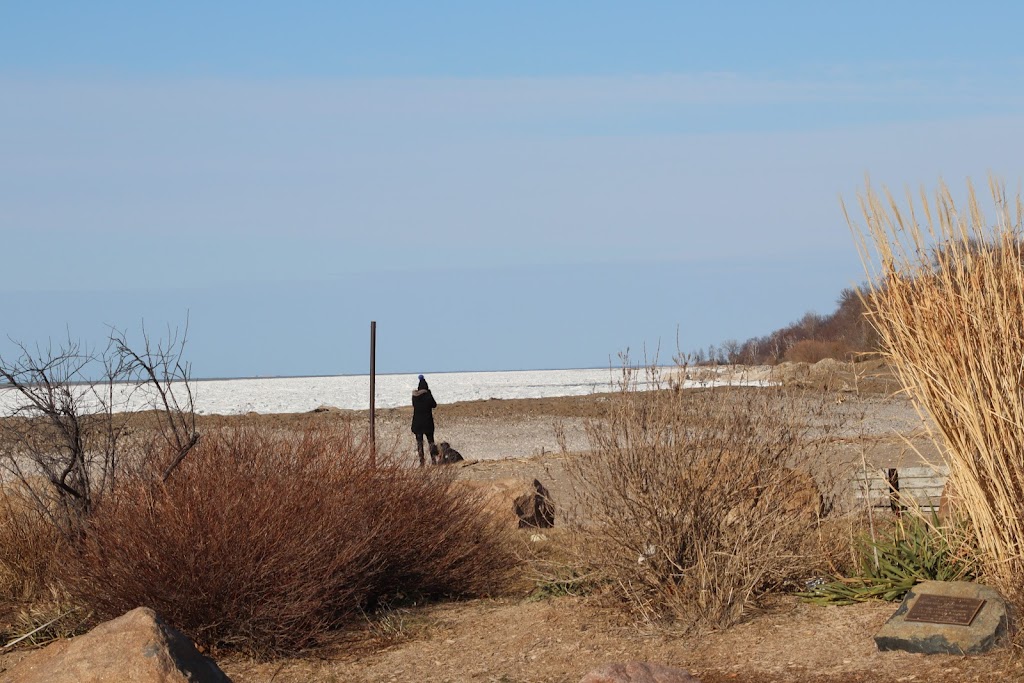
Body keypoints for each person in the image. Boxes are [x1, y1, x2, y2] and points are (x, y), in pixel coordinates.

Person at [411, 374, 438, 466]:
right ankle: (433, 460)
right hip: (428, 423)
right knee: (431, 442)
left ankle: (421, 462)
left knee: (419, 443)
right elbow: (434, 405)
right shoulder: (428, 396)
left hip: (417, 423)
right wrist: (429, 394)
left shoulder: (414, 397)